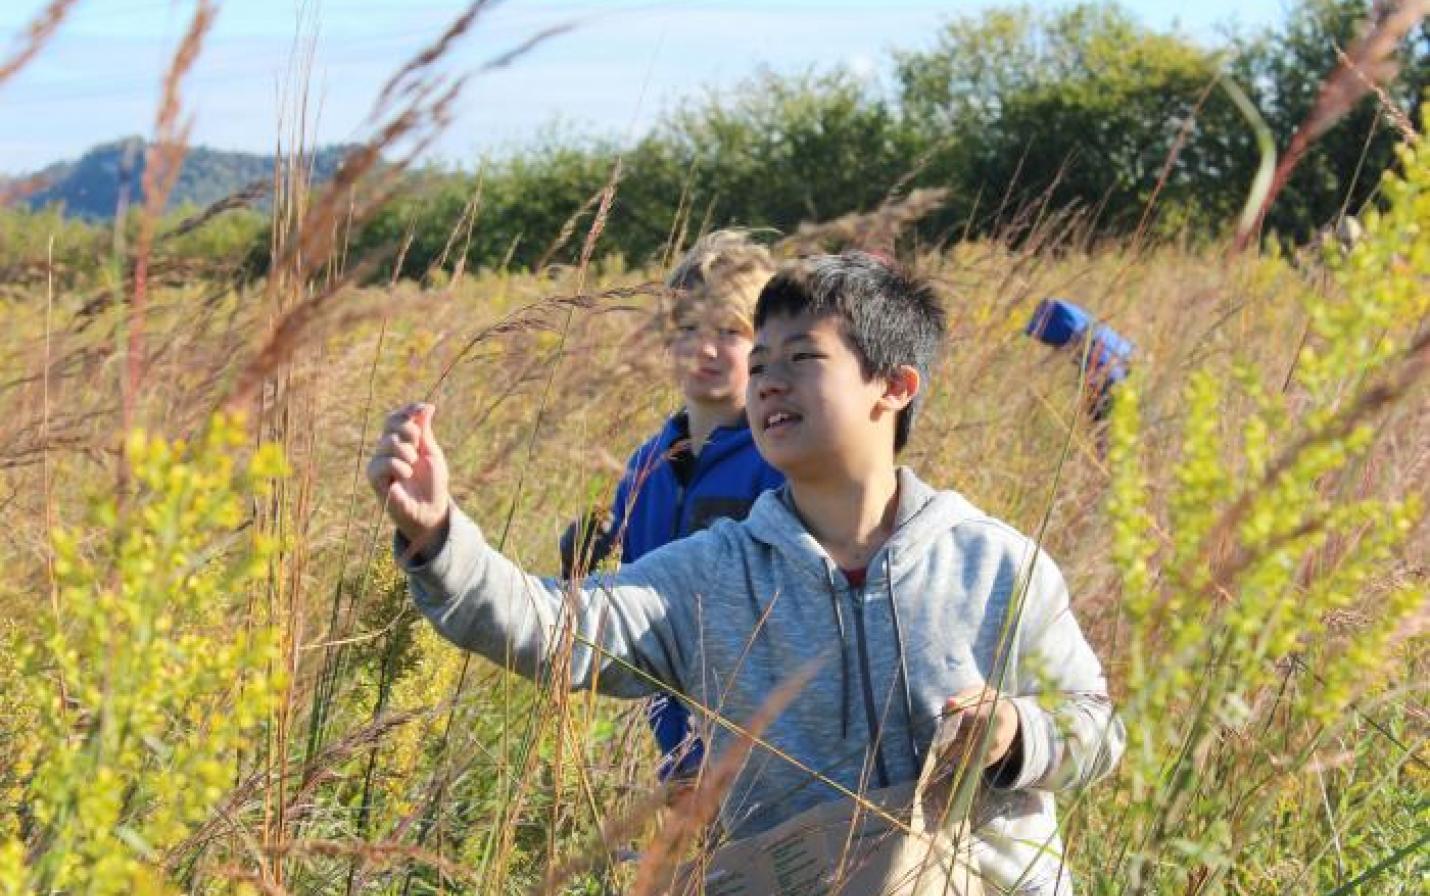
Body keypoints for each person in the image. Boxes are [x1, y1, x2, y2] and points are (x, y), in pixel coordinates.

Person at [368, 253, 1125, 895]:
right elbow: (554, 628)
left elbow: (1097, 730)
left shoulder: (993, 562)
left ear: (894, 388)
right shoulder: (711, 574)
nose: (766, 383)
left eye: (802, 361)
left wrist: (1016, 732)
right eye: (759, 363)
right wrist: (438, 537)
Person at [557, 230, 784, 784]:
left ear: (767, 346)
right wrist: (584, 564)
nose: (705, 350)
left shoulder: (774, 458)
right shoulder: (644, 463)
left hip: (760, 749)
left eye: (730, 332)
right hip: (674, 742)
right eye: (688, 330)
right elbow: (625, 598)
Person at [1025, 297, 1133, 422]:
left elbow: (1066, 344)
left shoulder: (1066, 320)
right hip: (1121, 360)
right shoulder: (1073, 318)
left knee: (1100, 421)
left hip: (1108, 372)